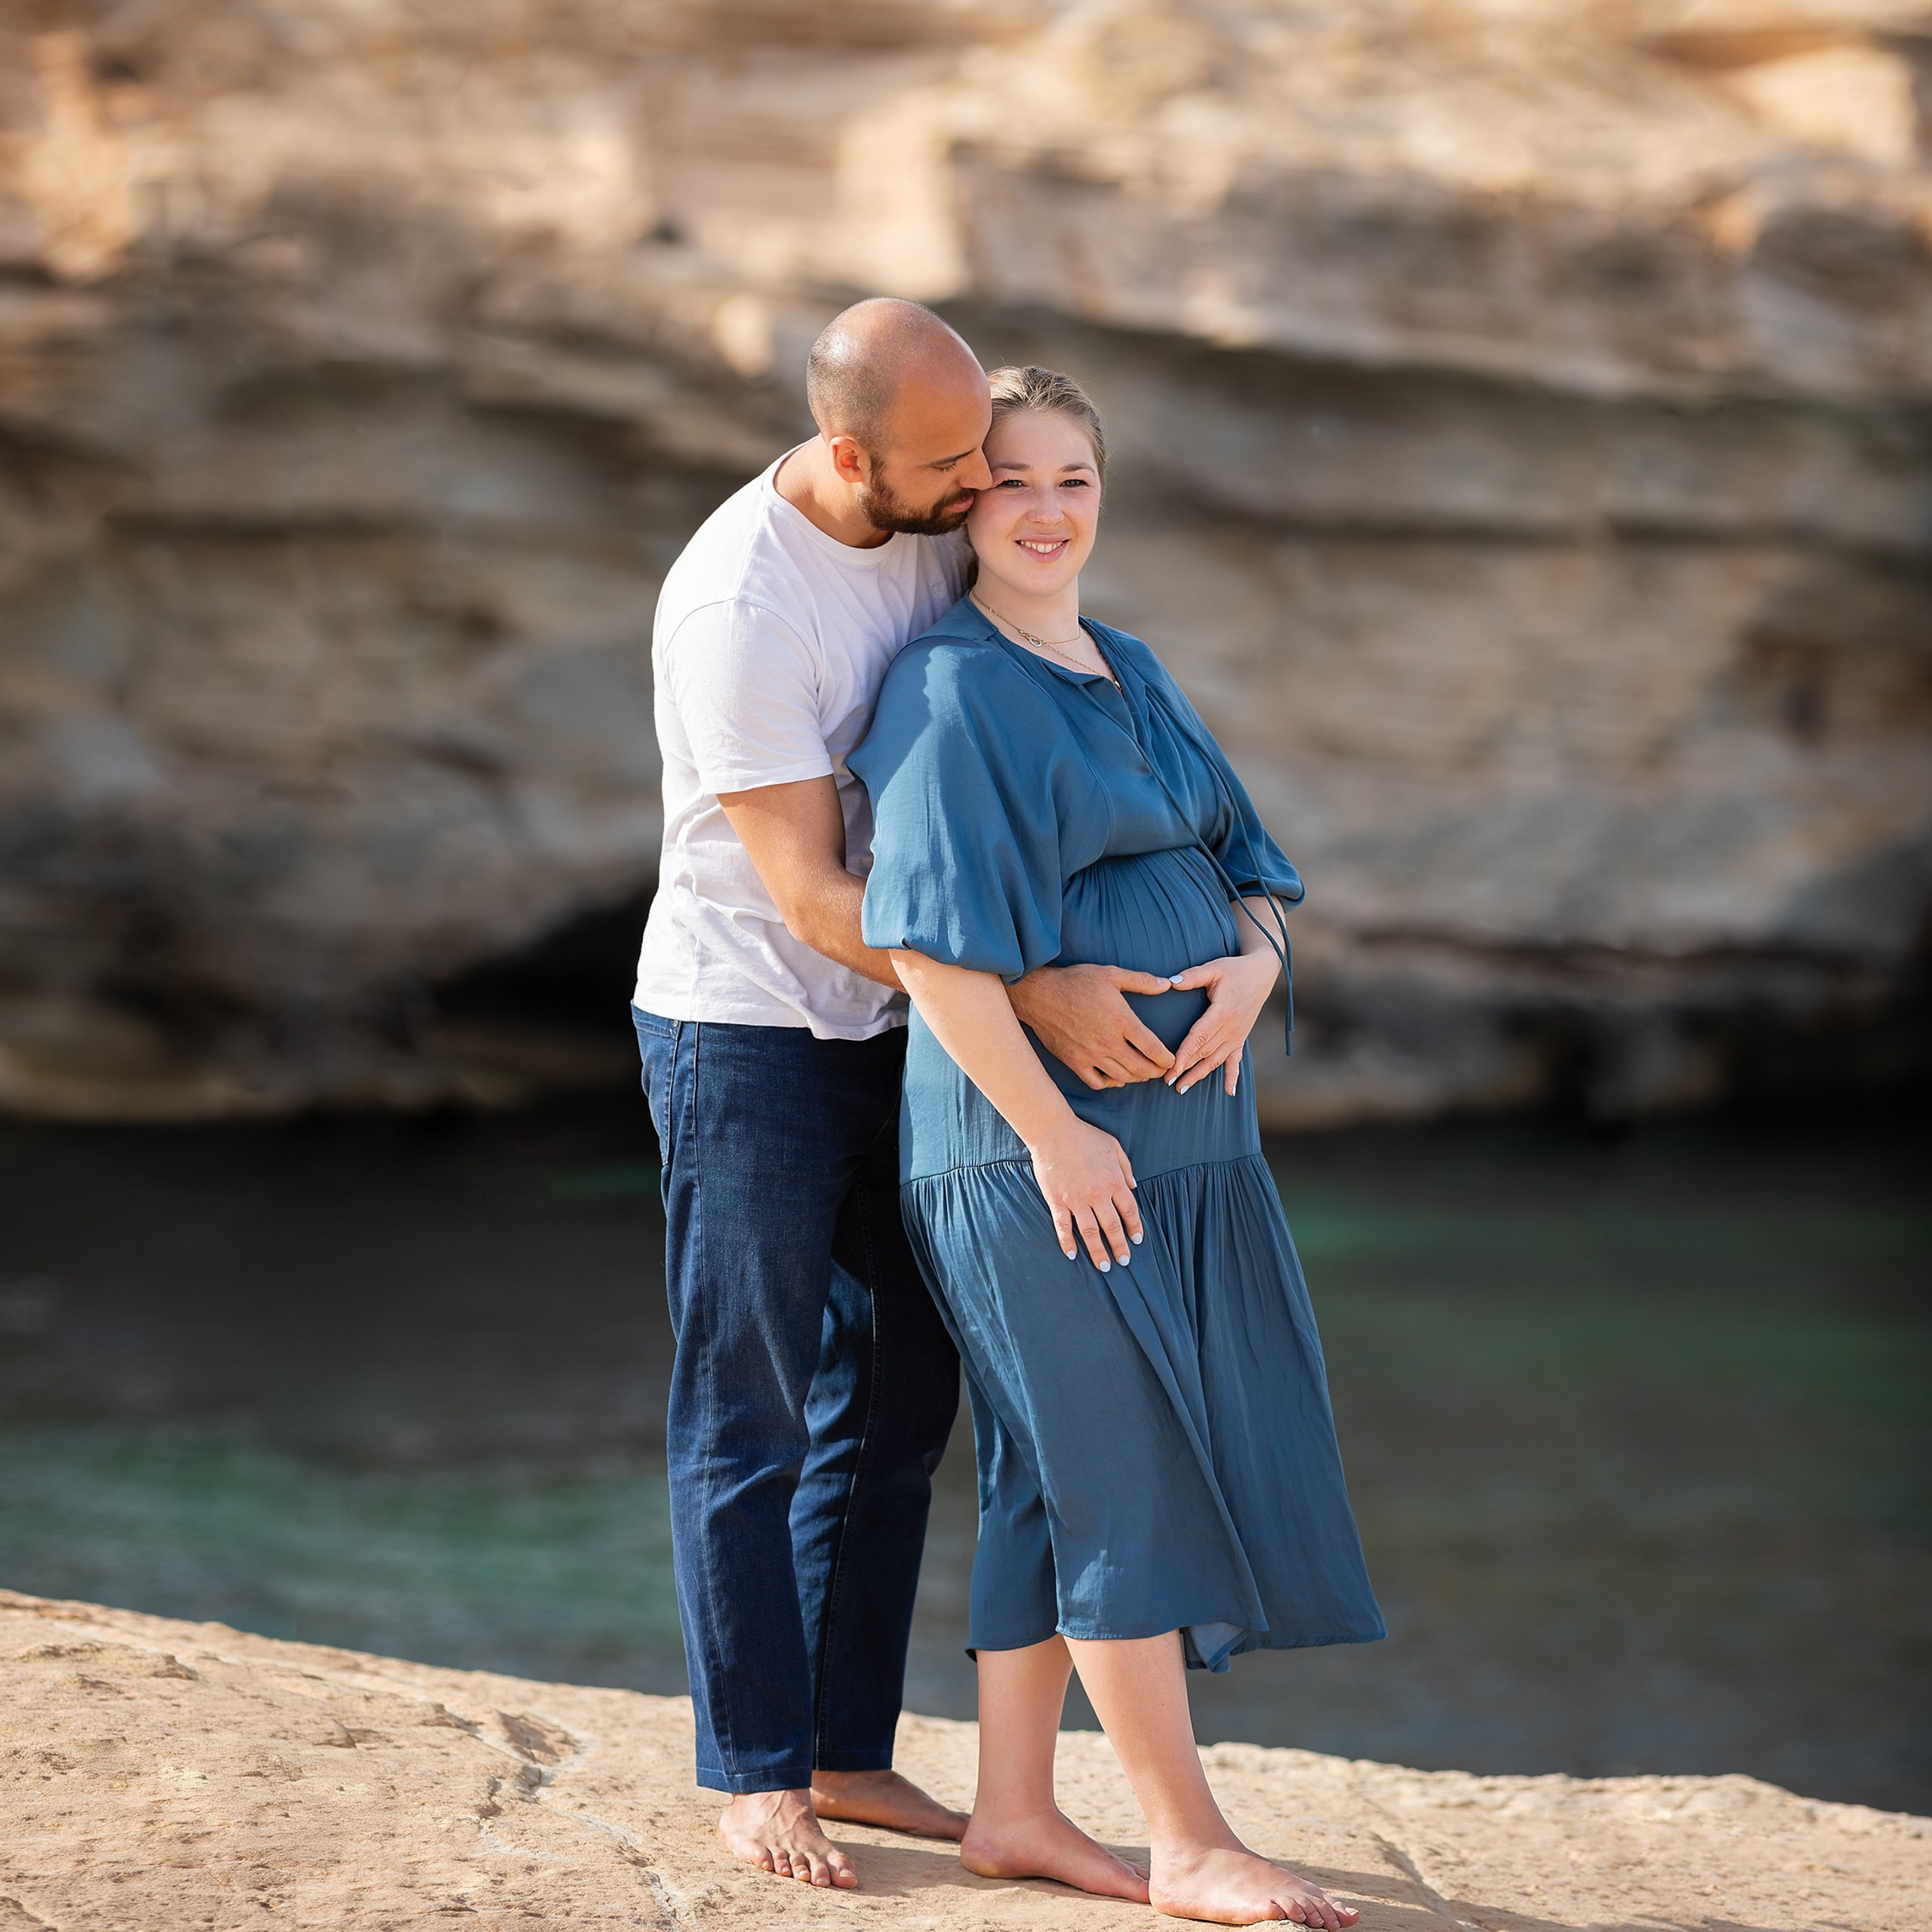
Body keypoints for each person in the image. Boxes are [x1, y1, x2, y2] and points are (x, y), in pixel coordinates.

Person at [632, 304, 1189, 1892]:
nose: (978, 490)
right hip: (743, 1026)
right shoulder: (741, 602)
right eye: (951, 465)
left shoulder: (932, 522)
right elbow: (810, 897)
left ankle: (845, 1745)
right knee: (742, 1407)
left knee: (895, 1398)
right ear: (848, 451)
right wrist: (1030, 987)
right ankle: (752, 1771)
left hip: (908, 1030)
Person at [850, 366, 1385, 1927]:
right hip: (1040, 1154)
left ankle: (1013, 1807)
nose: (1042, 508)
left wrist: (1255, 963)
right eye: (1008, 479)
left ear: (1101, 494)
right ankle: (1185, 1835)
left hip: (1187, 1148)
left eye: (1070, 477)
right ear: (963, 502)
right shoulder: (947, 691)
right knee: (1120, 1467)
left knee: (1044, 1474)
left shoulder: (1124, 664)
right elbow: (934, 951)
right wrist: (1056, 1139)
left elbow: (1250, 863)